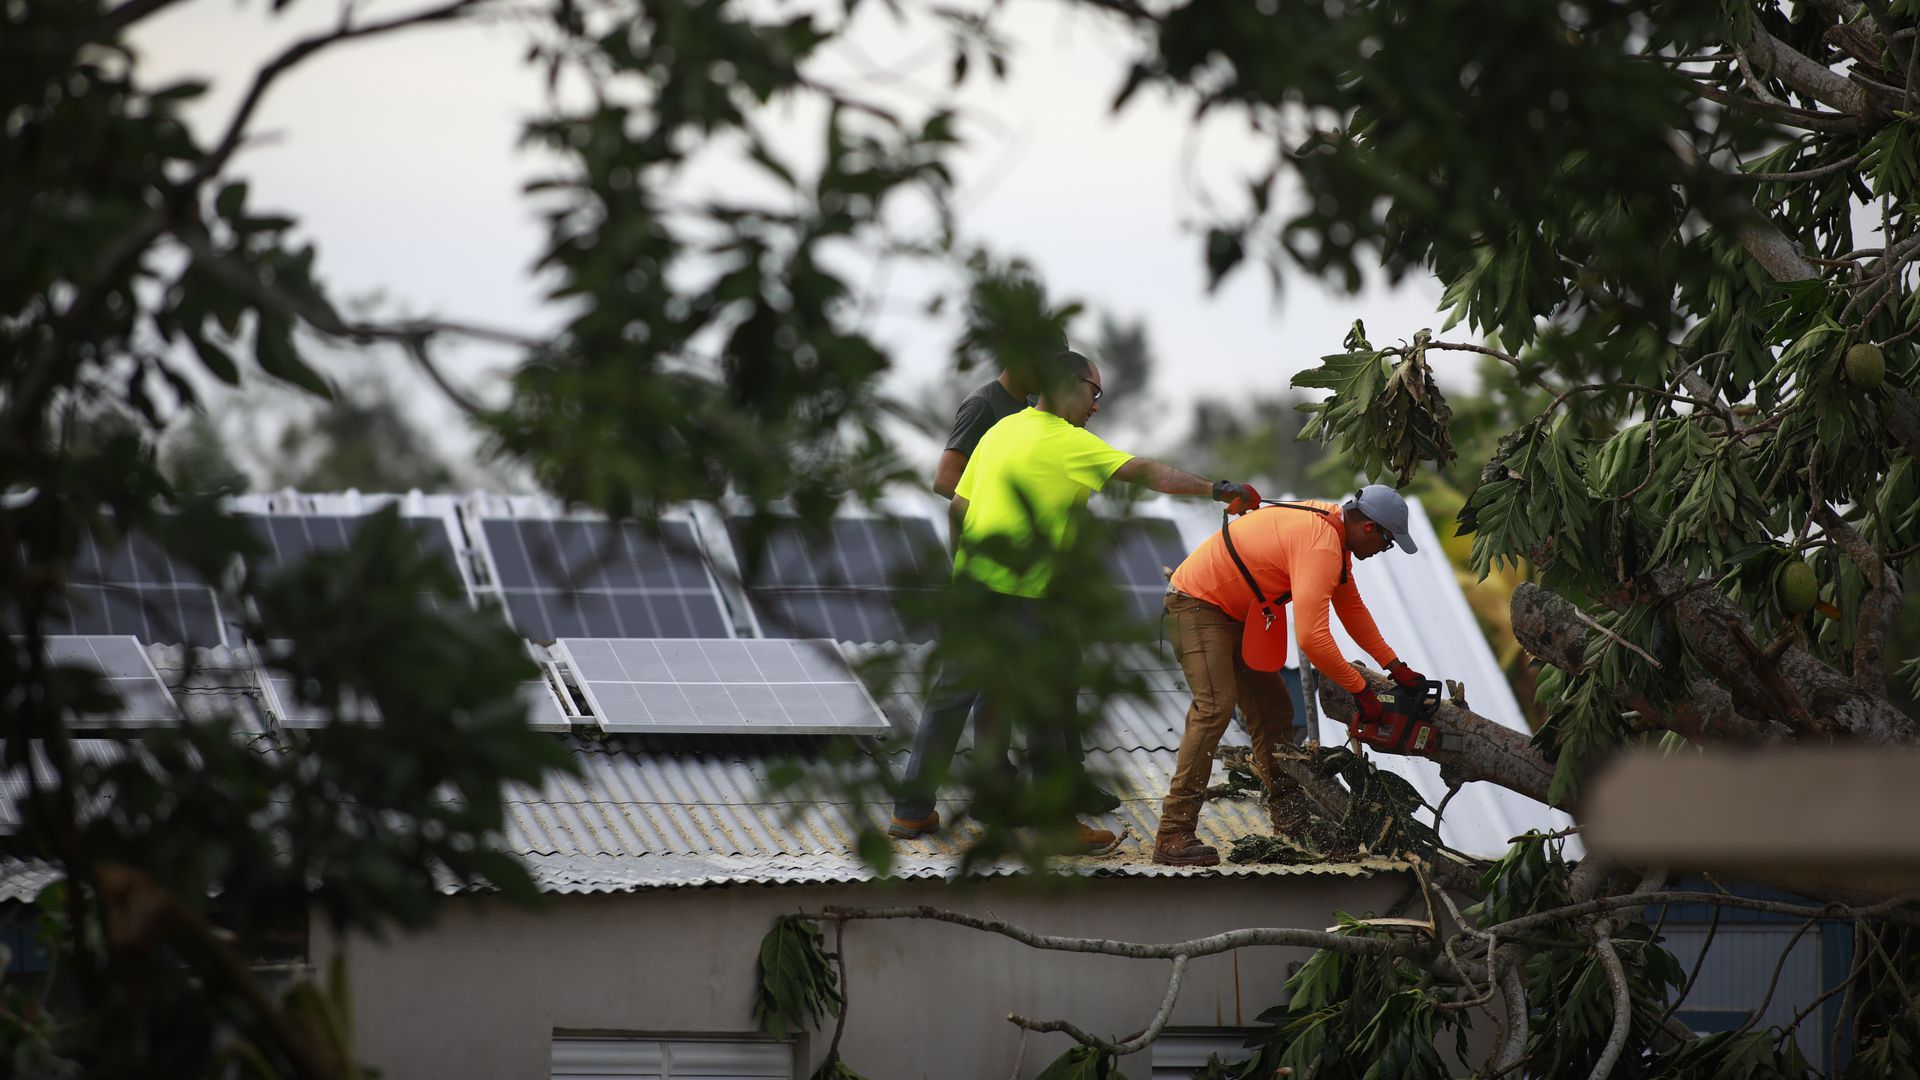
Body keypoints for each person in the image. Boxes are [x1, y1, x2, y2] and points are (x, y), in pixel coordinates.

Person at [889, 349, 1258, 853]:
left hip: (975, 592)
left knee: (949, 699)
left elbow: (958, 507)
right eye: (1094, 392)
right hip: (1026, 598)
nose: (1096, 406)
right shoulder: (1068, 442)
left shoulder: (1001, 431)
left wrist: (965, 571)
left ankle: (910, 813)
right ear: (1068, 384)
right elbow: (1147, 472)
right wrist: (1217, 489)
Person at [1151, 484, 1427, 867]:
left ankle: (1291, 821)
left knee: (1275, 709)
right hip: (1197, 605)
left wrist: (1395, 667)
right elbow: (1313, 639)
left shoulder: (1333, 535)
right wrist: (1362, 690)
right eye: (1388, 541)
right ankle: (1173, 833)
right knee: (1215, 706)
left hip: (1237, 615)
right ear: (1369, 527)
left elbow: (1353, 610)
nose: (1385, 549)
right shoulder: (1321, 542)